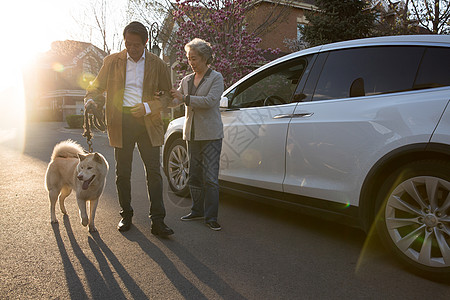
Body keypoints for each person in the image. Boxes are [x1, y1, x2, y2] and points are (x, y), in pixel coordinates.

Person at [84, 21, 174, 236]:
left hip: (148, 122)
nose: (131, 49)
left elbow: (168, 96)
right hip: (121, 121)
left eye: (136, 45)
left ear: (145, 43)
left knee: (154, 172)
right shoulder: (112, 61)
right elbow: (96, 87)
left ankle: (158, 221)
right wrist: (90, 99)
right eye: (128, 44)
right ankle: (126, 215)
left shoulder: (158, 64)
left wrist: (148, 107)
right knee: (122, 173)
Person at [170, 38, 224, 231]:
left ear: (205, 58)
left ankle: (211, 216)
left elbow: (209, 101)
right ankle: (197, 210)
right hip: (191, 134)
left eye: (194, 58)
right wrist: (166, 98)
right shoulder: (186, 80)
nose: (191, 62)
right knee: (194, 175)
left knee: (210, 177)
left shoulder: (216, 77)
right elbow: (176, 102)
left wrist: (183, 98)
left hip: (210, 135)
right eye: (189, 58)